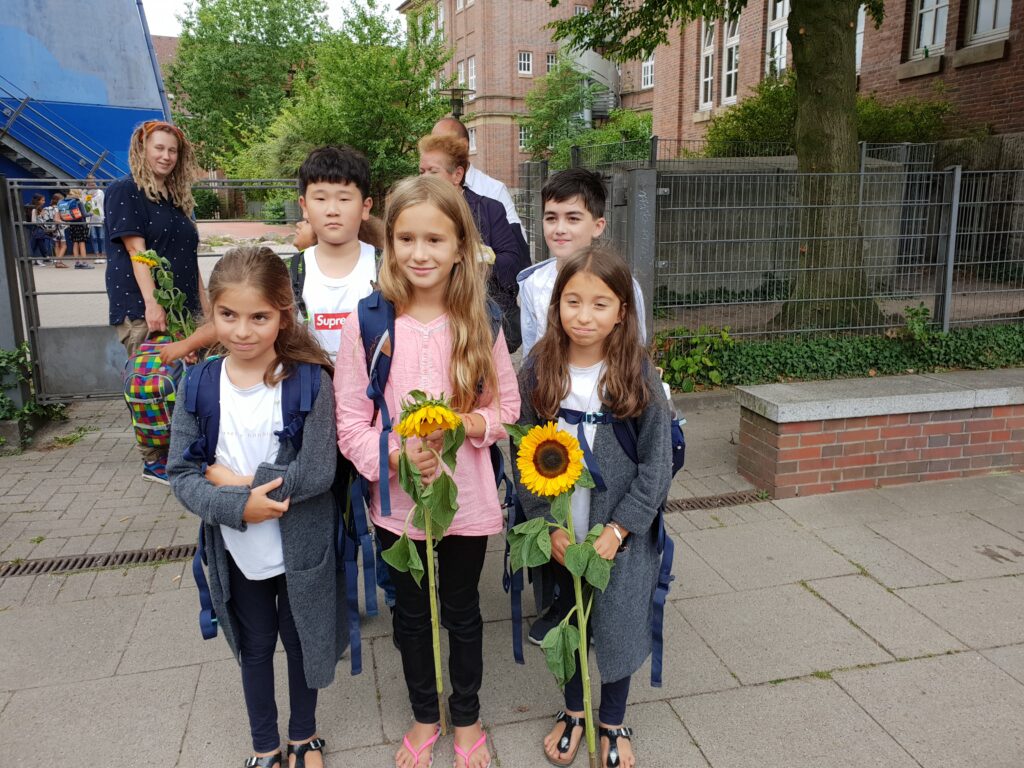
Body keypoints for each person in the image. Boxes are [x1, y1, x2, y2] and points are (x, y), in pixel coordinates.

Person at [335, 175, 520, 768]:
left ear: (460, 246)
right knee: (412, 616)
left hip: (466, 498)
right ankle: (424, 714)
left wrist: (461, 425)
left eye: (435, 240)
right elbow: (350, 422)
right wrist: (394, 454)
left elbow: (506, 409)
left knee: (462, 611)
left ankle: (466, 717)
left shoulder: (482, 320)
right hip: (398, 504)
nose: (420, 253)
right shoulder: (368, 323)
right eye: (406, 238)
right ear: (389, 243)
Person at [168, 246, 343, 768]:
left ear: (283, 315)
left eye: (259, 317)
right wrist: (236, 506)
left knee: (303, 639)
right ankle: (264, 744)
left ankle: (304, 736)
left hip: (301, 550)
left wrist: (237, 484)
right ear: (212, 313)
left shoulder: (310, 380)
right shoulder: (199, 384)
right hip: (236, 550)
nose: (242, 331)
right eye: (228, 315)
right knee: (255, 645)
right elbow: (181, 472)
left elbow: (319, 471)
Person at [515, 246, 672, 768]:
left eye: (600, 304)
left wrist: (622, 528)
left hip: (618, 534)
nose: (584, 316)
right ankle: (573, 710)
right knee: (568, 621)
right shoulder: (539, 368)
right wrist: (546, 526)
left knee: (619, 621)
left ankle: (613, 718)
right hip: (563, 530)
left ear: (622, 311)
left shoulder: (637, 374)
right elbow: (521, 450)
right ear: (557, 304)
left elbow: (655, 464)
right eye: (573, 301)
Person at [162, 145, 380, 366]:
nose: (332, 210)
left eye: (344, 199)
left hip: (372, 385)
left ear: (365, 207)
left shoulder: (386, 267)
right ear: (304, 206)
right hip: (307, 384)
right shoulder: (288, 271)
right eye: (321, 199)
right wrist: (190, 343)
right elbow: (241, 313)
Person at [105, 119, 204, 483]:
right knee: (151, 382)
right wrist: (152, 303)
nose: (166, 156)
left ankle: (182, 453)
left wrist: (206, 308)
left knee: (185, 382)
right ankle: (154, 459)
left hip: (183, 305)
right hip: (145, 305)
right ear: (142, 149)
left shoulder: (176, 199)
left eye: (172, 150)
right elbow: (137, 251)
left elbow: (188, 259)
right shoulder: (126, 191)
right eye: (159, 148)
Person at [517, 168, 648, 359]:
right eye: (551, 218)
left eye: (573, 219)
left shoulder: (622, 284)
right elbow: (530, 353)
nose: (560, 229)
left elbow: (635, 349)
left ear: (598, 226)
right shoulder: (533, 284)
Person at [418, 134, 529, 351]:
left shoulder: (489, 209)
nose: (424, 179)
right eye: (421, 172)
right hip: (430, 320)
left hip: (482, 324)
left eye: (433, 171)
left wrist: (478, 260)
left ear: (457, 175)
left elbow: (512, 261)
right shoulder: (415, 212)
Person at [431, 117, 529, 252]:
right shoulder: (423, 191)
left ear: (464, 146)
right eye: (432, 144)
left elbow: (517, 244)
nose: (434, 151)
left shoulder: (493, 190)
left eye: (441, 144)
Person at [65, 189, 94, 269]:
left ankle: (77, 263)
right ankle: (84, 263)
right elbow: (84, 214)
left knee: (75, 243)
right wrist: (91, 213)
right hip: (81, 224)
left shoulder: (68, 202)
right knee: (82, 243)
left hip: (72, 225)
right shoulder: (78, 202)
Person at [84, 175, 106, 263]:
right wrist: (88, 195)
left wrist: (104, 216)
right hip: (91, 217)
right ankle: (97, 254)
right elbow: (86, 204)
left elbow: (103, 203)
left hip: (100, 216)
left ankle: (103, 254)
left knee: (102, 237)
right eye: (89, 181)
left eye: (92, 180)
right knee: (94, 237)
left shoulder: (100, 192)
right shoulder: (85, 192)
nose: (91, 182)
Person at [27, 194, 52, 266]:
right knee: (37, 243)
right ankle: (43, 258)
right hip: (37, 229)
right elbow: (34, 221)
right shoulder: (34, 209)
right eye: (42, 200)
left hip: (39, 229)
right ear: (38, 201)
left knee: (37, 244)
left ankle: (41, 258)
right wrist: (41, 216)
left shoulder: (40, 209)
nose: (44, 202)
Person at [48, 193, 68, 268]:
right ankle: (58, 262)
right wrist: (65, 223)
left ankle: (58, 262)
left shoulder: (49, 208)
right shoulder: (58, 208)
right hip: (59, 229)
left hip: (53, 229)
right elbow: (56, 219)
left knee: (56, 245)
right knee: (64, 246)